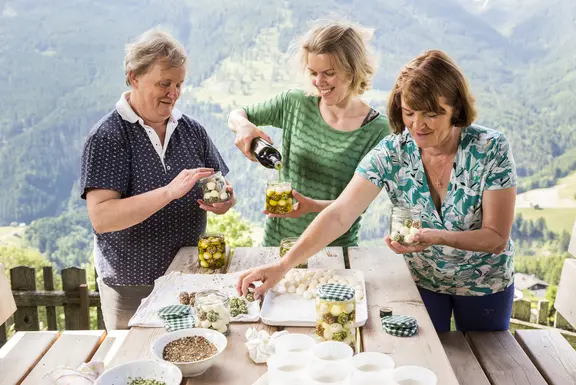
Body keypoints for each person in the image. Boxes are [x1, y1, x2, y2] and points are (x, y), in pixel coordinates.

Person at [238, 50, 517, 333]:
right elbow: (340, 215)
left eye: (432, 114)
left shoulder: (490, 148)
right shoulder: (392, 151)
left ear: (455, 109)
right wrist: (283, 266)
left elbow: (495, 238)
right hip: (422, 281)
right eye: (409, 113)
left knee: (488, 362)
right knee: (428, 360)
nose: (418, 125)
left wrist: (437, 238)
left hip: (485, 283)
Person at [80, 30, 235, 330]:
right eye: (165, 84)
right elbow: (102, 217)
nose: (174, 93)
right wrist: (168, 192)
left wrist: (227, 201)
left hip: (188, 280)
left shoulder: (193, 130)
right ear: (134, 77)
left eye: (179, 85)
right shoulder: (108, 137)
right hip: (131, 286)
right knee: (133, 366)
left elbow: (221, 185)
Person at [228, 20, 390, 247]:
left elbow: (357, 206)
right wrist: (243, 125)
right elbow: (237, 114)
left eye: (329, 73)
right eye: (313, 72)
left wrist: (312, 206)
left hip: (332, 250)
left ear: (353, 70)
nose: (318, 82)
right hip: (278, 244)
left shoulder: (378, 131)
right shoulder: (294, 103)